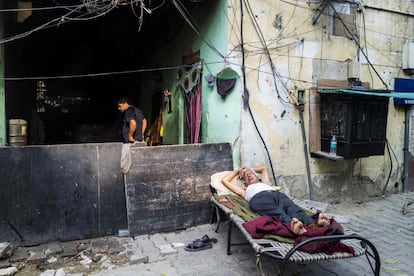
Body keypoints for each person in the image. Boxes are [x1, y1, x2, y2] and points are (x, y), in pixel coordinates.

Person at [221, 166, 330, 235]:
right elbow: (224, 180)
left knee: (294, 209)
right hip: (259, 199)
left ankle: (314, 225)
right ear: (244, 184)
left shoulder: (265, 183)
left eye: (250, 174)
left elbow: (263, 168)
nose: (248, 175)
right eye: (245, 177)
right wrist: (238, 170)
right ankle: (294, 226)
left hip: (277, 195)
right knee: (278, 213)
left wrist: (248, 169)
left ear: (257, 177)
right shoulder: (245, 191)